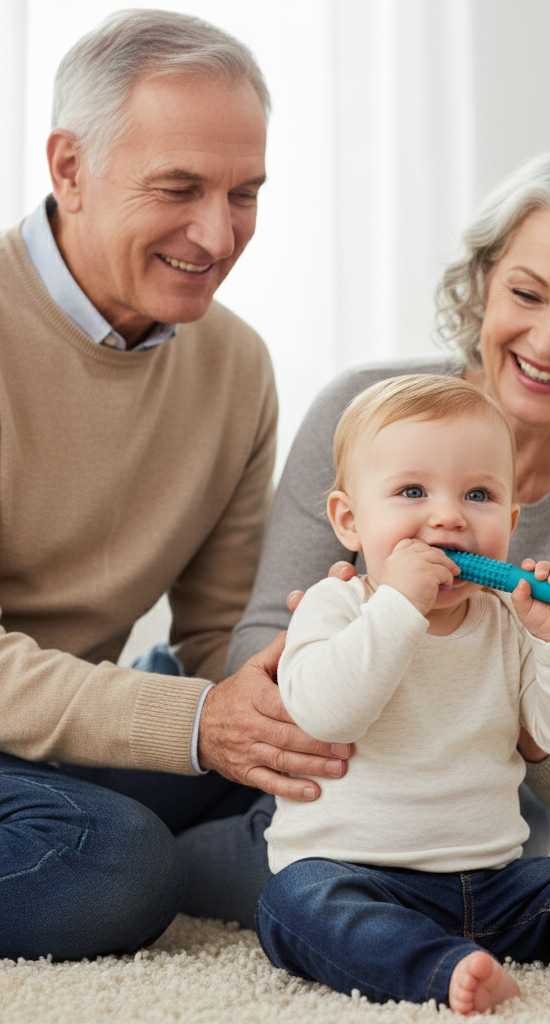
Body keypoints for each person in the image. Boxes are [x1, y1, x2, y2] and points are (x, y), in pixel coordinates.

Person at [223, 148, 550, 917]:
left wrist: (534, 706)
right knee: (140, 840)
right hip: (313, 775)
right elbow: (257, 644)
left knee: (534, 857)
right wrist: (327, 664)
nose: (548, 341)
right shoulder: (361, 410)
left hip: (478, 813)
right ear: (485, 283)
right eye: (526, 293)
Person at [0, 10, 344, 962]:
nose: (218, 233)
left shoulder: (235, 365)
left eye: (245, 193)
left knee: (392, 785)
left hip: (53, 740)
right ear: (69, 168)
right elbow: (192, 709)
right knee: (113, 865)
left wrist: (339, 679)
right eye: (179, 188)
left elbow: (218, 635)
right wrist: (194, 721)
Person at [254, 373, 550, 1012]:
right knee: (292, 905)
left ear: (511, 520)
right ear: (350, 521)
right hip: (354, 873)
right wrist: (399, 605)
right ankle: (440, 968)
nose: (449, 515)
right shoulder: (333, 606)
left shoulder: (510, 620)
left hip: (493, 883)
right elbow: (328, 712)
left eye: (479, 495)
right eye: (412, 491)